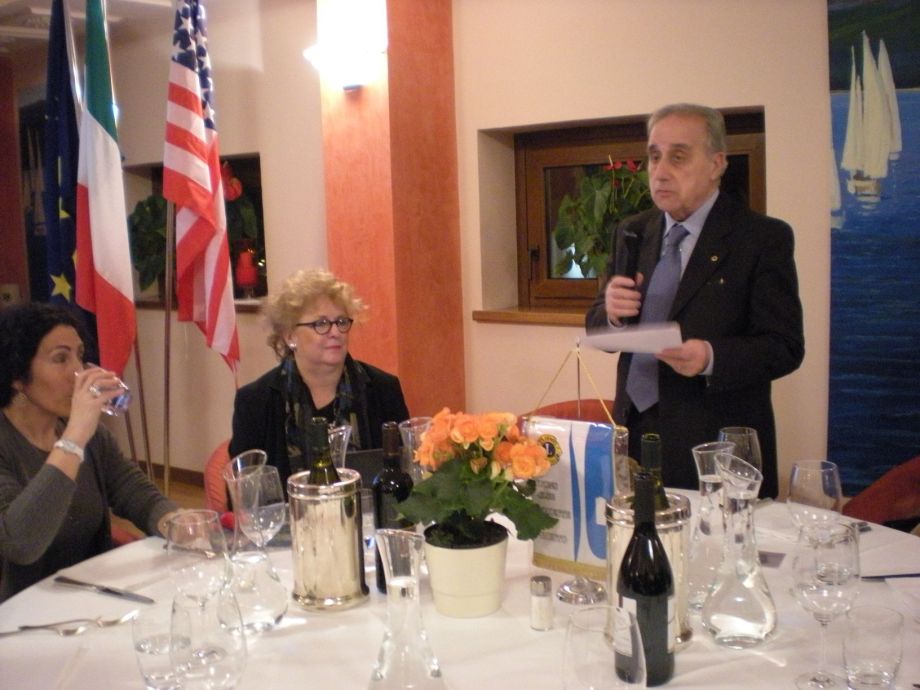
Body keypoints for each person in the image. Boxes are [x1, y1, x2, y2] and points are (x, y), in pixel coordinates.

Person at [586, 103, 804, 498]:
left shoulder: (760, 238)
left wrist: (710, 357)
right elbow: (599, 327)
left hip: (713, 442)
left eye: (678, 157)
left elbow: (785, 347)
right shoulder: (633, 231)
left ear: (717, 164)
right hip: (634, 431)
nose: (660, 171)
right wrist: (612, 316)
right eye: (654, 156)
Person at [0, 303, 179, 602]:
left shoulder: (89, 435)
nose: (79, 372)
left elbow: (134, 492)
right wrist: (73, 438)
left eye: (80, 356)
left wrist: (177, 523)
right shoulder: (66, 435)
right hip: (22, 612)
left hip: (95, 598)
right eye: (61, 358)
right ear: (18, 376)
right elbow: (21, 544)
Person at [230, 269, 410, 489]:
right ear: (290, 336)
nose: (335, 332)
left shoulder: (383, 389)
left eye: (341, 322)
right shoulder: (254, 401)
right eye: (321, 324)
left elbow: (404, 476)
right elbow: (244, 495)